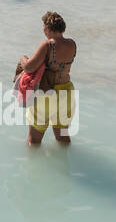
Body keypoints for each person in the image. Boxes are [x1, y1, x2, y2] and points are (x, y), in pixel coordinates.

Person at [17, 11, 77, 146]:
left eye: (44, 26)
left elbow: (29, 67)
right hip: (66, 93)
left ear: (48, 28)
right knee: (63, 138)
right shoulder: (72, 44)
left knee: (34, 141)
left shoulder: (48, 45)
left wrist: (23, 58)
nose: (43, 30)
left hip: (47, 93)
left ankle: (32, 165)